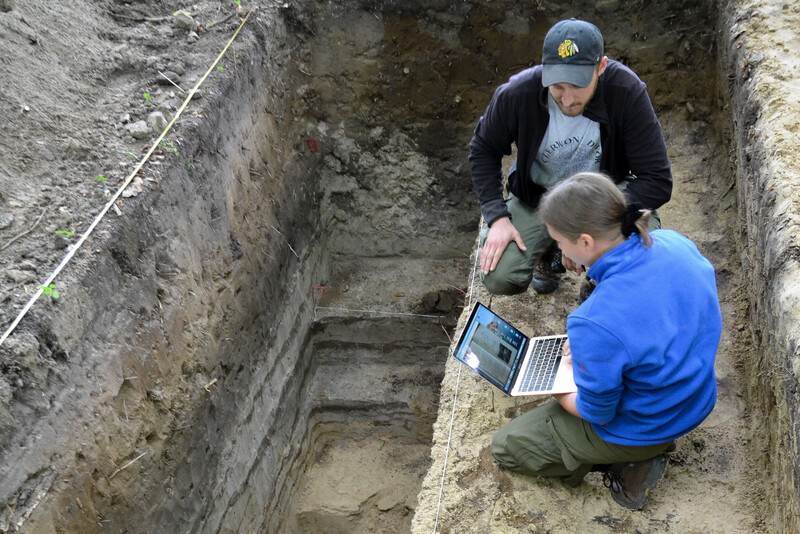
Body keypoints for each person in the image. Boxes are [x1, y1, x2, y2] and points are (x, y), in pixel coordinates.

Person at [491, 172, 721, 509]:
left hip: (650, 423)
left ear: (585, 243)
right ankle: (645, 447)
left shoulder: (594, 322)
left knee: (508, 446)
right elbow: (659, 321)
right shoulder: (675, 243)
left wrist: (554, 386)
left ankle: (633, 459)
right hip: (694, 400)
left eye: (558, 240)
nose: (557, 248)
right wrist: (596, 348)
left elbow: (596, 411)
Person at [470, 18, 672, 295]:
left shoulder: (626, 92)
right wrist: (497, 217)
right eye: (557, 87)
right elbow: (482, 148)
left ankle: (601, 273)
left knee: (641, 266)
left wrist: (586, 226)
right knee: (500, 277)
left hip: (605, 195)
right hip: (539, 196)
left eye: (578, 86)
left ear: (600, 67)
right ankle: (550, 249)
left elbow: (658, 180)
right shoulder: (518, 93)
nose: (567, 100)